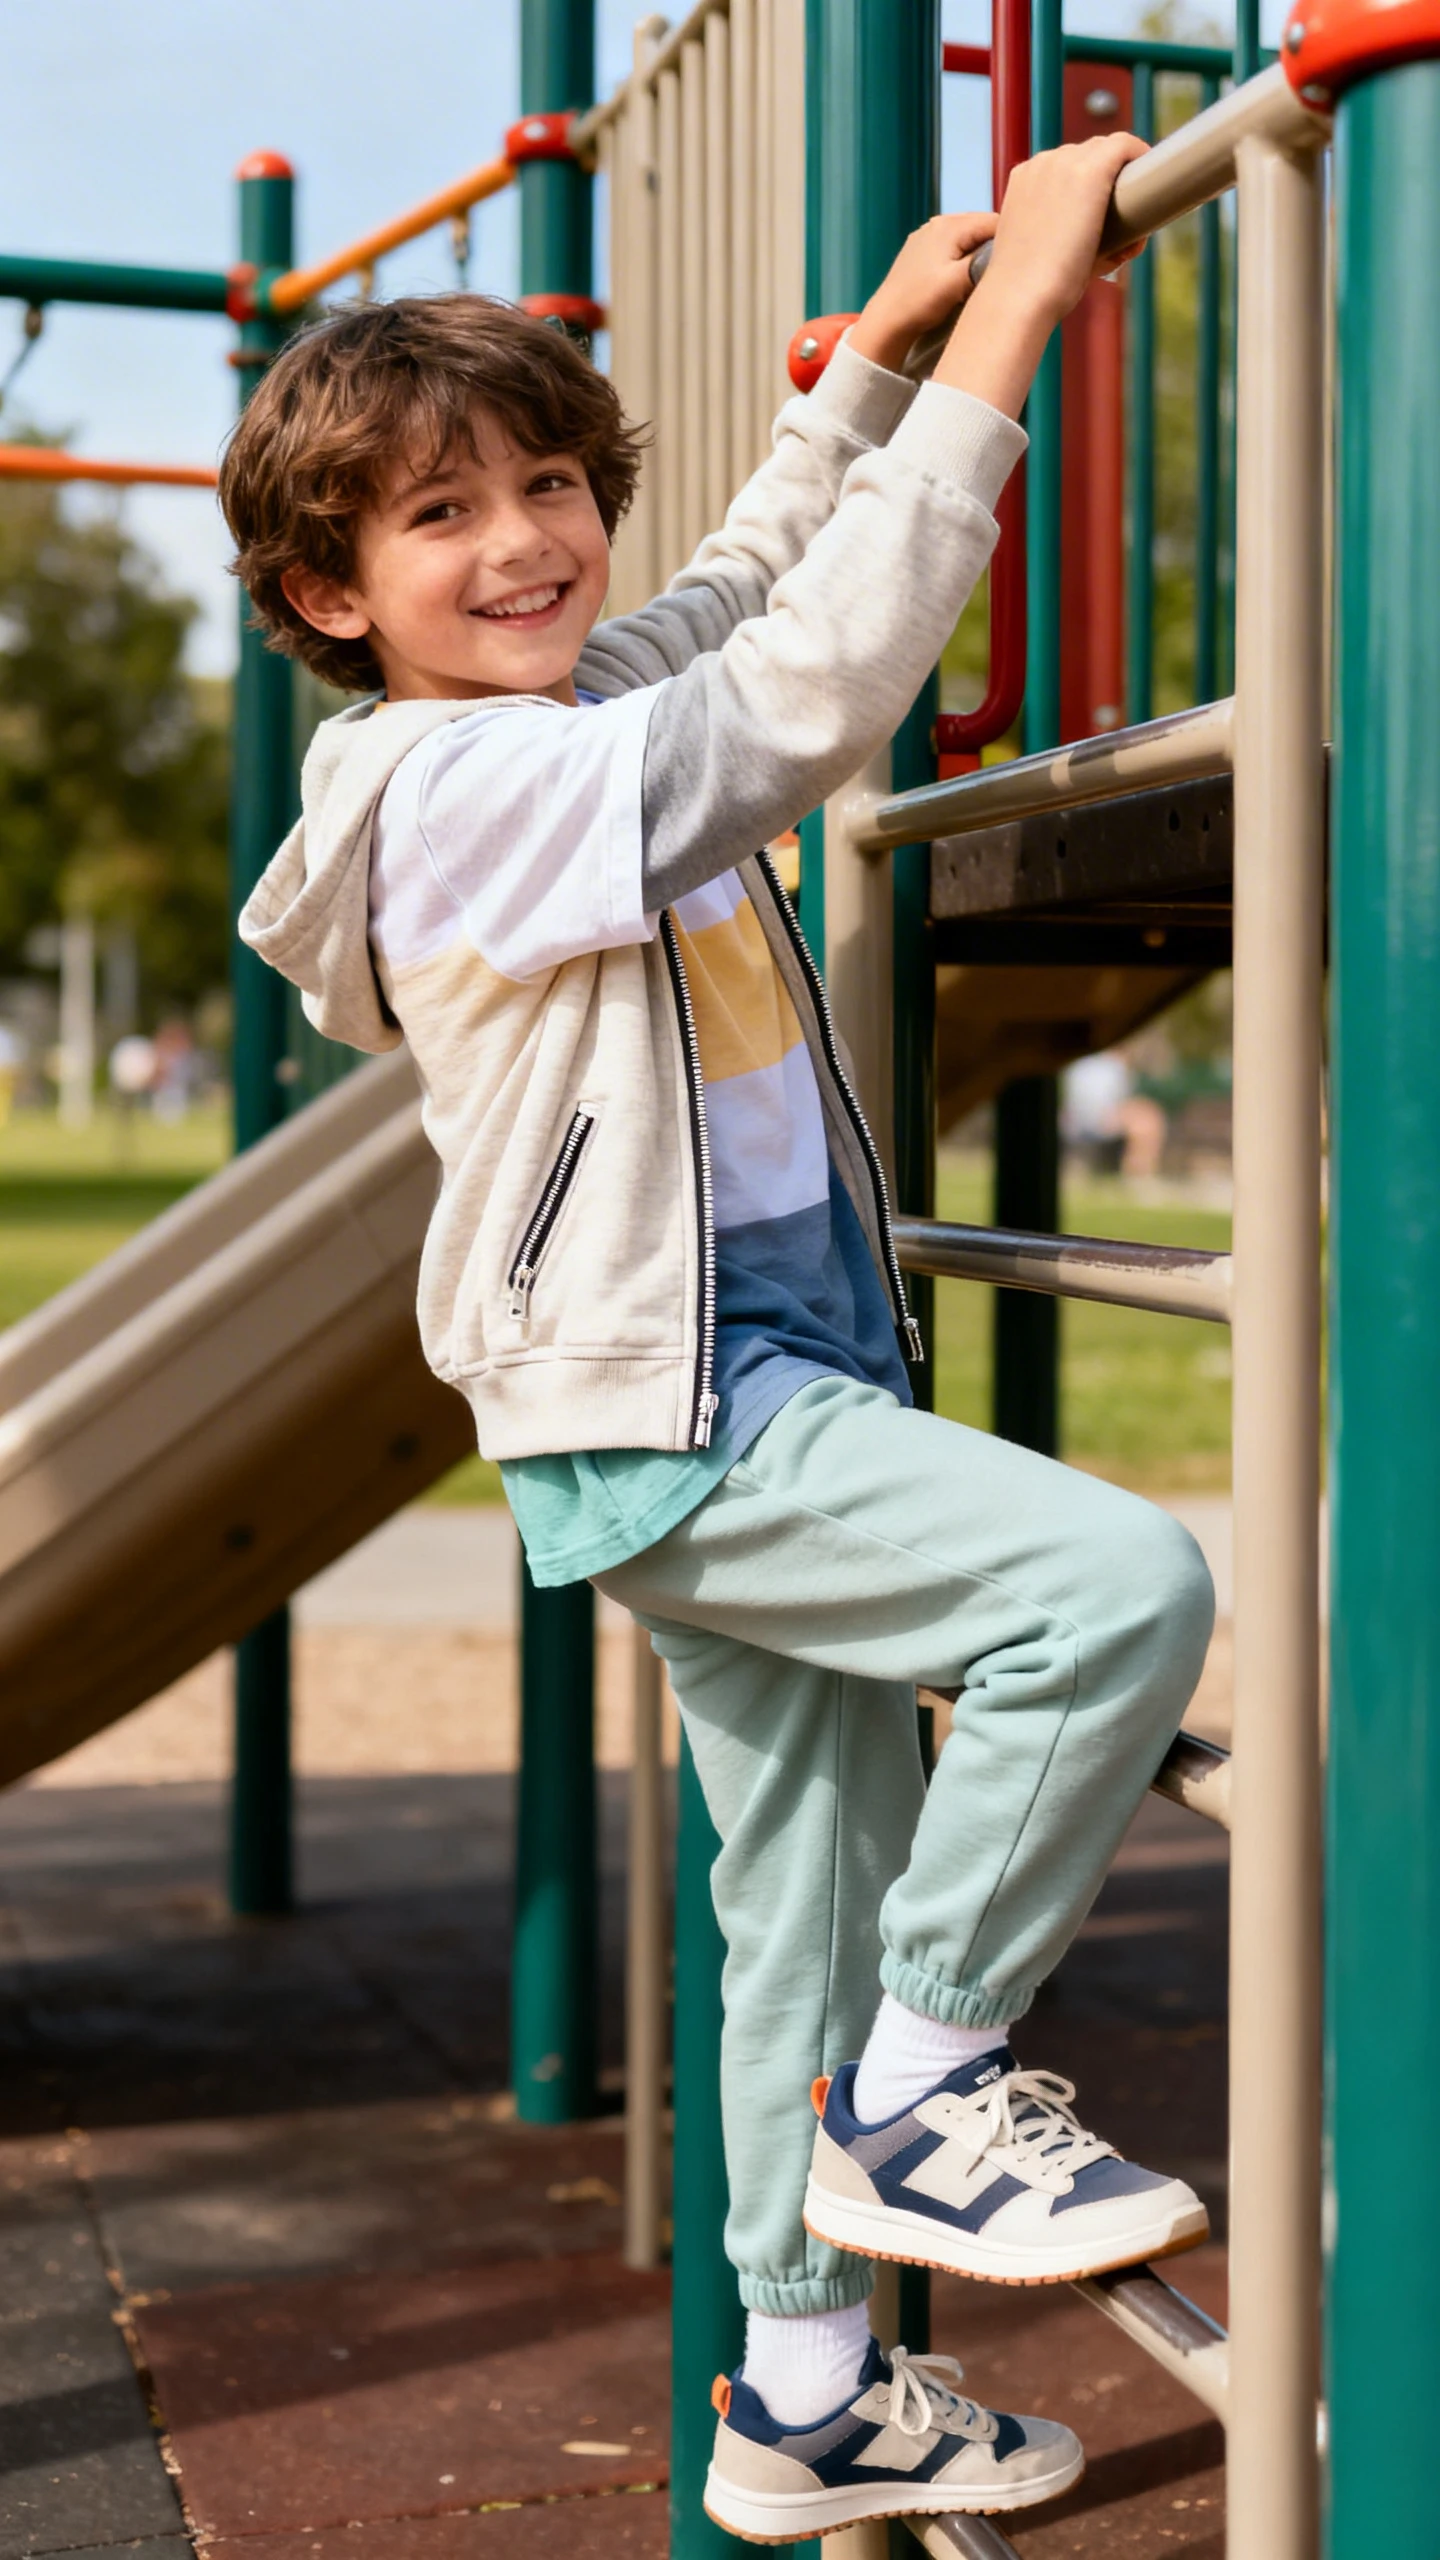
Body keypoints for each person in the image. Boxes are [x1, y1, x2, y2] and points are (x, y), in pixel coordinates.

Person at [222, 129, 1214, 2544]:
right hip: (678, 1393)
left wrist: (869, 358)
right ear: (329, 597)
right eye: (441, 518)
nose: (527, 543)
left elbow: (744, 585)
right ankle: (933, 2086)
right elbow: (802, 689)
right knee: (1113, 1589)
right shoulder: (455, 784)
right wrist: (1015, 340)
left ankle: (801, 2387)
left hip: (751, 1356)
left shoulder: (561, 704)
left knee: (807, 1880)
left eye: (548, 481)